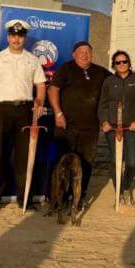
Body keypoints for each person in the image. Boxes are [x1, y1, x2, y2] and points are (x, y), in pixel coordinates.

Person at [0, 20, 46, 212]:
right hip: (1, 110)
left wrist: (39, 102)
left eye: (21, 36)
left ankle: (25, 198)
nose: (17, 39)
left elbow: (41, 85)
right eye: (13, 35)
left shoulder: (33, 60)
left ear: (25, 38)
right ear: (8, 37)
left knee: (25, 156)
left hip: (25, 111)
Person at [48, 41, 110, 210]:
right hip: (66, 126)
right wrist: (58, 113)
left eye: (88, 51)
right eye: (81, 51)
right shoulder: (66, 69)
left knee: (86, 164)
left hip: (90, 129)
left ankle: (78, 198)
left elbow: (116, 84)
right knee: (61, 163)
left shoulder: (101, 72)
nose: (85, 54)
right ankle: (56, 198)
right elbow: (53, 90)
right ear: (74, 54)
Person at [98, 50, 135, 205]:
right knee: (116, 161)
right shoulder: (109, 81)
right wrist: (104, 122)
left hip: (131, 127)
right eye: (118, 62)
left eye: (124, 61)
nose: (122, 64)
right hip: (113, 128)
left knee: (131, 162)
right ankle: (120, 192)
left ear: (129, 62)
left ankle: (128, 187)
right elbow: (102, 104)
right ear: (114, 65)